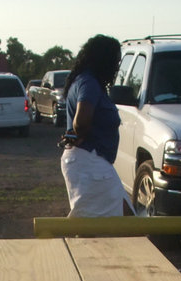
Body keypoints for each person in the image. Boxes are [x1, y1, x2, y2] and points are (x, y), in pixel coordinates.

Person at [60, 34, 131, 217]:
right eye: (115, 60)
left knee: (125, 216)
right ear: (104, 59)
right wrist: (79, 132)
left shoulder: (88, 81)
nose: (116, 66)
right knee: (106, 226)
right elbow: (81, 121)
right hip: (89, 161)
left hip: (91, 162)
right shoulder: (89, 82)